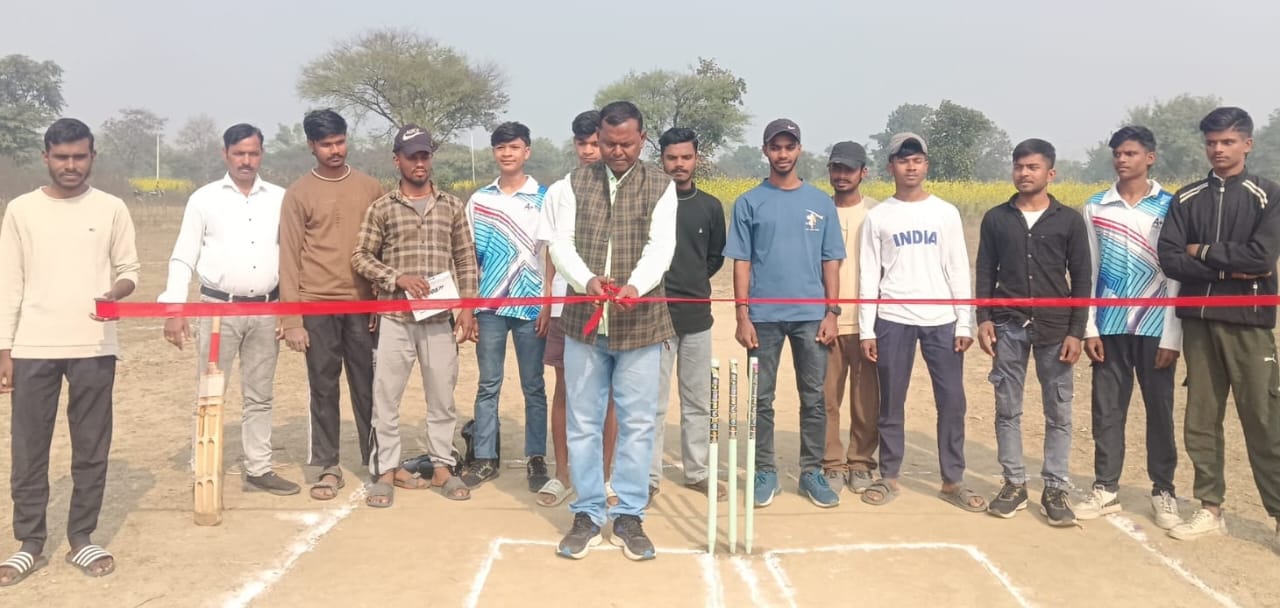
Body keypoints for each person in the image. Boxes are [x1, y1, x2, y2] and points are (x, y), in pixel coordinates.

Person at [0, 118, 140, 584]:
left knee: (91, 447)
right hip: (33, 346)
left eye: (80, 156)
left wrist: (114, 292)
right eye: (62, 157)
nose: (71, 165)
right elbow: (9, 283)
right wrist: (5, 348)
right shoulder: (21, 210)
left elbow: (130, 269)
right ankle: (29, 543)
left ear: (92, 157)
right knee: (29, 448)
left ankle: (82, 538)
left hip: (94, 345)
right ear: (46, 157)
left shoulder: (112, 207)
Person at [548, 101, 677, 561]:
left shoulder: (661, 187)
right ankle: (586, 511)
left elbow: (660, 247)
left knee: (638, 424)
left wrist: (636, 287)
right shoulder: (570, 185)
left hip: (641, 324)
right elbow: (559, 244)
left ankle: (628, 514)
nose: (617, 151)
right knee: (583, 422)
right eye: (608, 143)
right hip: (585, 324)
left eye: (626, 144)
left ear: (643, 140)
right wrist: (588, 282)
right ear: (595, 140)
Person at [1157, 107, 1280, 545]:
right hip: (1199, 324)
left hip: (1249, 323)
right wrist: (1227, 266)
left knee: (1265, 421)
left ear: (1247, 143)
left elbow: (1261, 259)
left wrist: (1202, 254)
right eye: (1212, 142)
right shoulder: (1186, 198)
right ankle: (1210, 507)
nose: (1218, 150)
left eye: (1228, 142)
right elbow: (1170, 259)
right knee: (1201, 420)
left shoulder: (1269, 195)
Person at [157, 123, 298, 497]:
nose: (246, 161)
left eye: (253, 153)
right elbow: (183, 256)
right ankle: (202, 468)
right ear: (226, 155)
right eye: (239, 154)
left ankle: (259, 467)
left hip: (267, 311)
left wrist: (288, 311)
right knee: (209, 391)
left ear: (262, 154)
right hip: (218, 311)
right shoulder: (204, 199)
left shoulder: (281, 198)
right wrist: (174, 308)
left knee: (260, 395)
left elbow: (291, 258)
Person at [858, 132, 985, 512]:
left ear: (926, 165)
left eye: (916, 159)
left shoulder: (945, 213)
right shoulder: (878, 216)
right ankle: (889, 475)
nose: (910, 166)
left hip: (941, 319)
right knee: (891, 401)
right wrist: (867, 328)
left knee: (952, 401)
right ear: (890, 166)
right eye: (902, 159)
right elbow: (868, 275)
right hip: (893, 318)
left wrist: (964, 322)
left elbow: (958, 268)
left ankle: (952, 479)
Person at [352, 124, 478, 506]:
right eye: (412, 156)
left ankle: (443, 466)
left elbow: (466, 260)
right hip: (395, 319)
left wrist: (467, 309)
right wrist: (397, 278)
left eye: (425, 155)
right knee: (386, 399)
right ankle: (386, 471)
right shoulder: (383, 208)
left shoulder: (452, 206)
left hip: (439, 320)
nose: (420, 162)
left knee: (442, 397)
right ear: (398, 160)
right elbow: (361, 256)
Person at [724, 118, 843, 509]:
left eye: (789, 146)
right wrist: (743, 316)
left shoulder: (820, 203)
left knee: (814, 397)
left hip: (811, 317)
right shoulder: (748, 202)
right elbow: (741, 262)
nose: (783, 154)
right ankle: (765, 471)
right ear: (765, 152)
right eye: (776, 147)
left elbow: (830, 262)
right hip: (763, 318)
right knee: (762, 399)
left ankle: (812, 471)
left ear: (799, 151)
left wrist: (832, 313)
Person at [974, 139, 1090, 526]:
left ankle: (1055, 487)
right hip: (1007, 326)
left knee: (1058, 410)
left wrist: (1077, 331)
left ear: (1050, 173)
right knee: (1007, 409)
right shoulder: (996, 218)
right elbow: (985, 271)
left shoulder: (1069, 220)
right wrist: (983, 319)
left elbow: (1082, 278)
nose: (1024, 173)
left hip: (1055, 331)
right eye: (1019, 166)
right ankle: (1014, 483)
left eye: (1033, 167)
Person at [1074, 126, 1183, 530]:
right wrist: (1088, 327)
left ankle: (1163, 490)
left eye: (1131, 153)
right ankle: (1105, 487)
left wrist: (1173, 336)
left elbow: (1175, 275)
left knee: (1160, 411)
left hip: (1157, 326)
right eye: (1118, 153)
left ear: (1150, 157)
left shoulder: (1172, 207)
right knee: (1107, 410)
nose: (1122, 160)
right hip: (1110, 325)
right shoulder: (1096, 206)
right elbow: (1089, 270)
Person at [278, 109, 384, 501]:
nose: (335, 150)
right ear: (311, 146)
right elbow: (288, 257)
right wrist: (292, 319)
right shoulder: (298, 194)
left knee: (369, 386)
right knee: (322, 387)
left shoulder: (371, 188)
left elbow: (382, 250)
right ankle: (327, 465)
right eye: (326, 144)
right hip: (316, 304)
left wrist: (379, 304)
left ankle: (378, 462)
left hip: (363, 305)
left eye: (340, 141)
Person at [533, 110, 619, 508]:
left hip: (615, 303)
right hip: (568, 304)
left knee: (611, 394)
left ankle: (603, 477)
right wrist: (548, 301)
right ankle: (563, 475)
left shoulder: (624, 188)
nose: (588, 151)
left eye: (594, 143)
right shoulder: (559, 191)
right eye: (581, 144)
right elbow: (549, 250)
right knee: (566, 389)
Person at [463, 122, 549, 492]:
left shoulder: (544, 198)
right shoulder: (480, 200)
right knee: (488, 384)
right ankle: (484, 457)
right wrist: (468, 309)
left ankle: (536, 458)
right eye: (501, 147)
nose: (507, 153)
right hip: (490, 306)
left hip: (531, 307)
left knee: (533, 385)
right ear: (494, 152)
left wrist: (546, 303)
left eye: (514, 147)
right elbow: (468, 258)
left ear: (526, 151)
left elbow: (550, 256)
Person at [650, 127, 726, 498]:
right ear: (661, 159)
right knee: (653, 402)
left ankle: (697, 472)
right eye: (671, 158)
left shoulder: (709, 207)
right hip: (655, 318)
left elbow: (714, 257)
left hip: (697, 317)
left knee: (697, 400)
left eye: (685, 157)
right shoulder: (648, 202)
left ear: (696, 158)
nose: (678, 165)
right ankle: (647, 478)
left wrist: (692, 281)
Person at [821, 141, 880, 495]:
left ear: (863, 172)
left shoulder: (878, 213)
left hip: (868, 323)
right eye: (836, 168)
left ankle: (861, 462)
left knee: (866, 399)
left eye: (848, 169)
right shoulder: (816, 211)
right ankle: (831, 462)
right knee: (825, 398)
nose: (841, 176)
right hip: (826, 321)